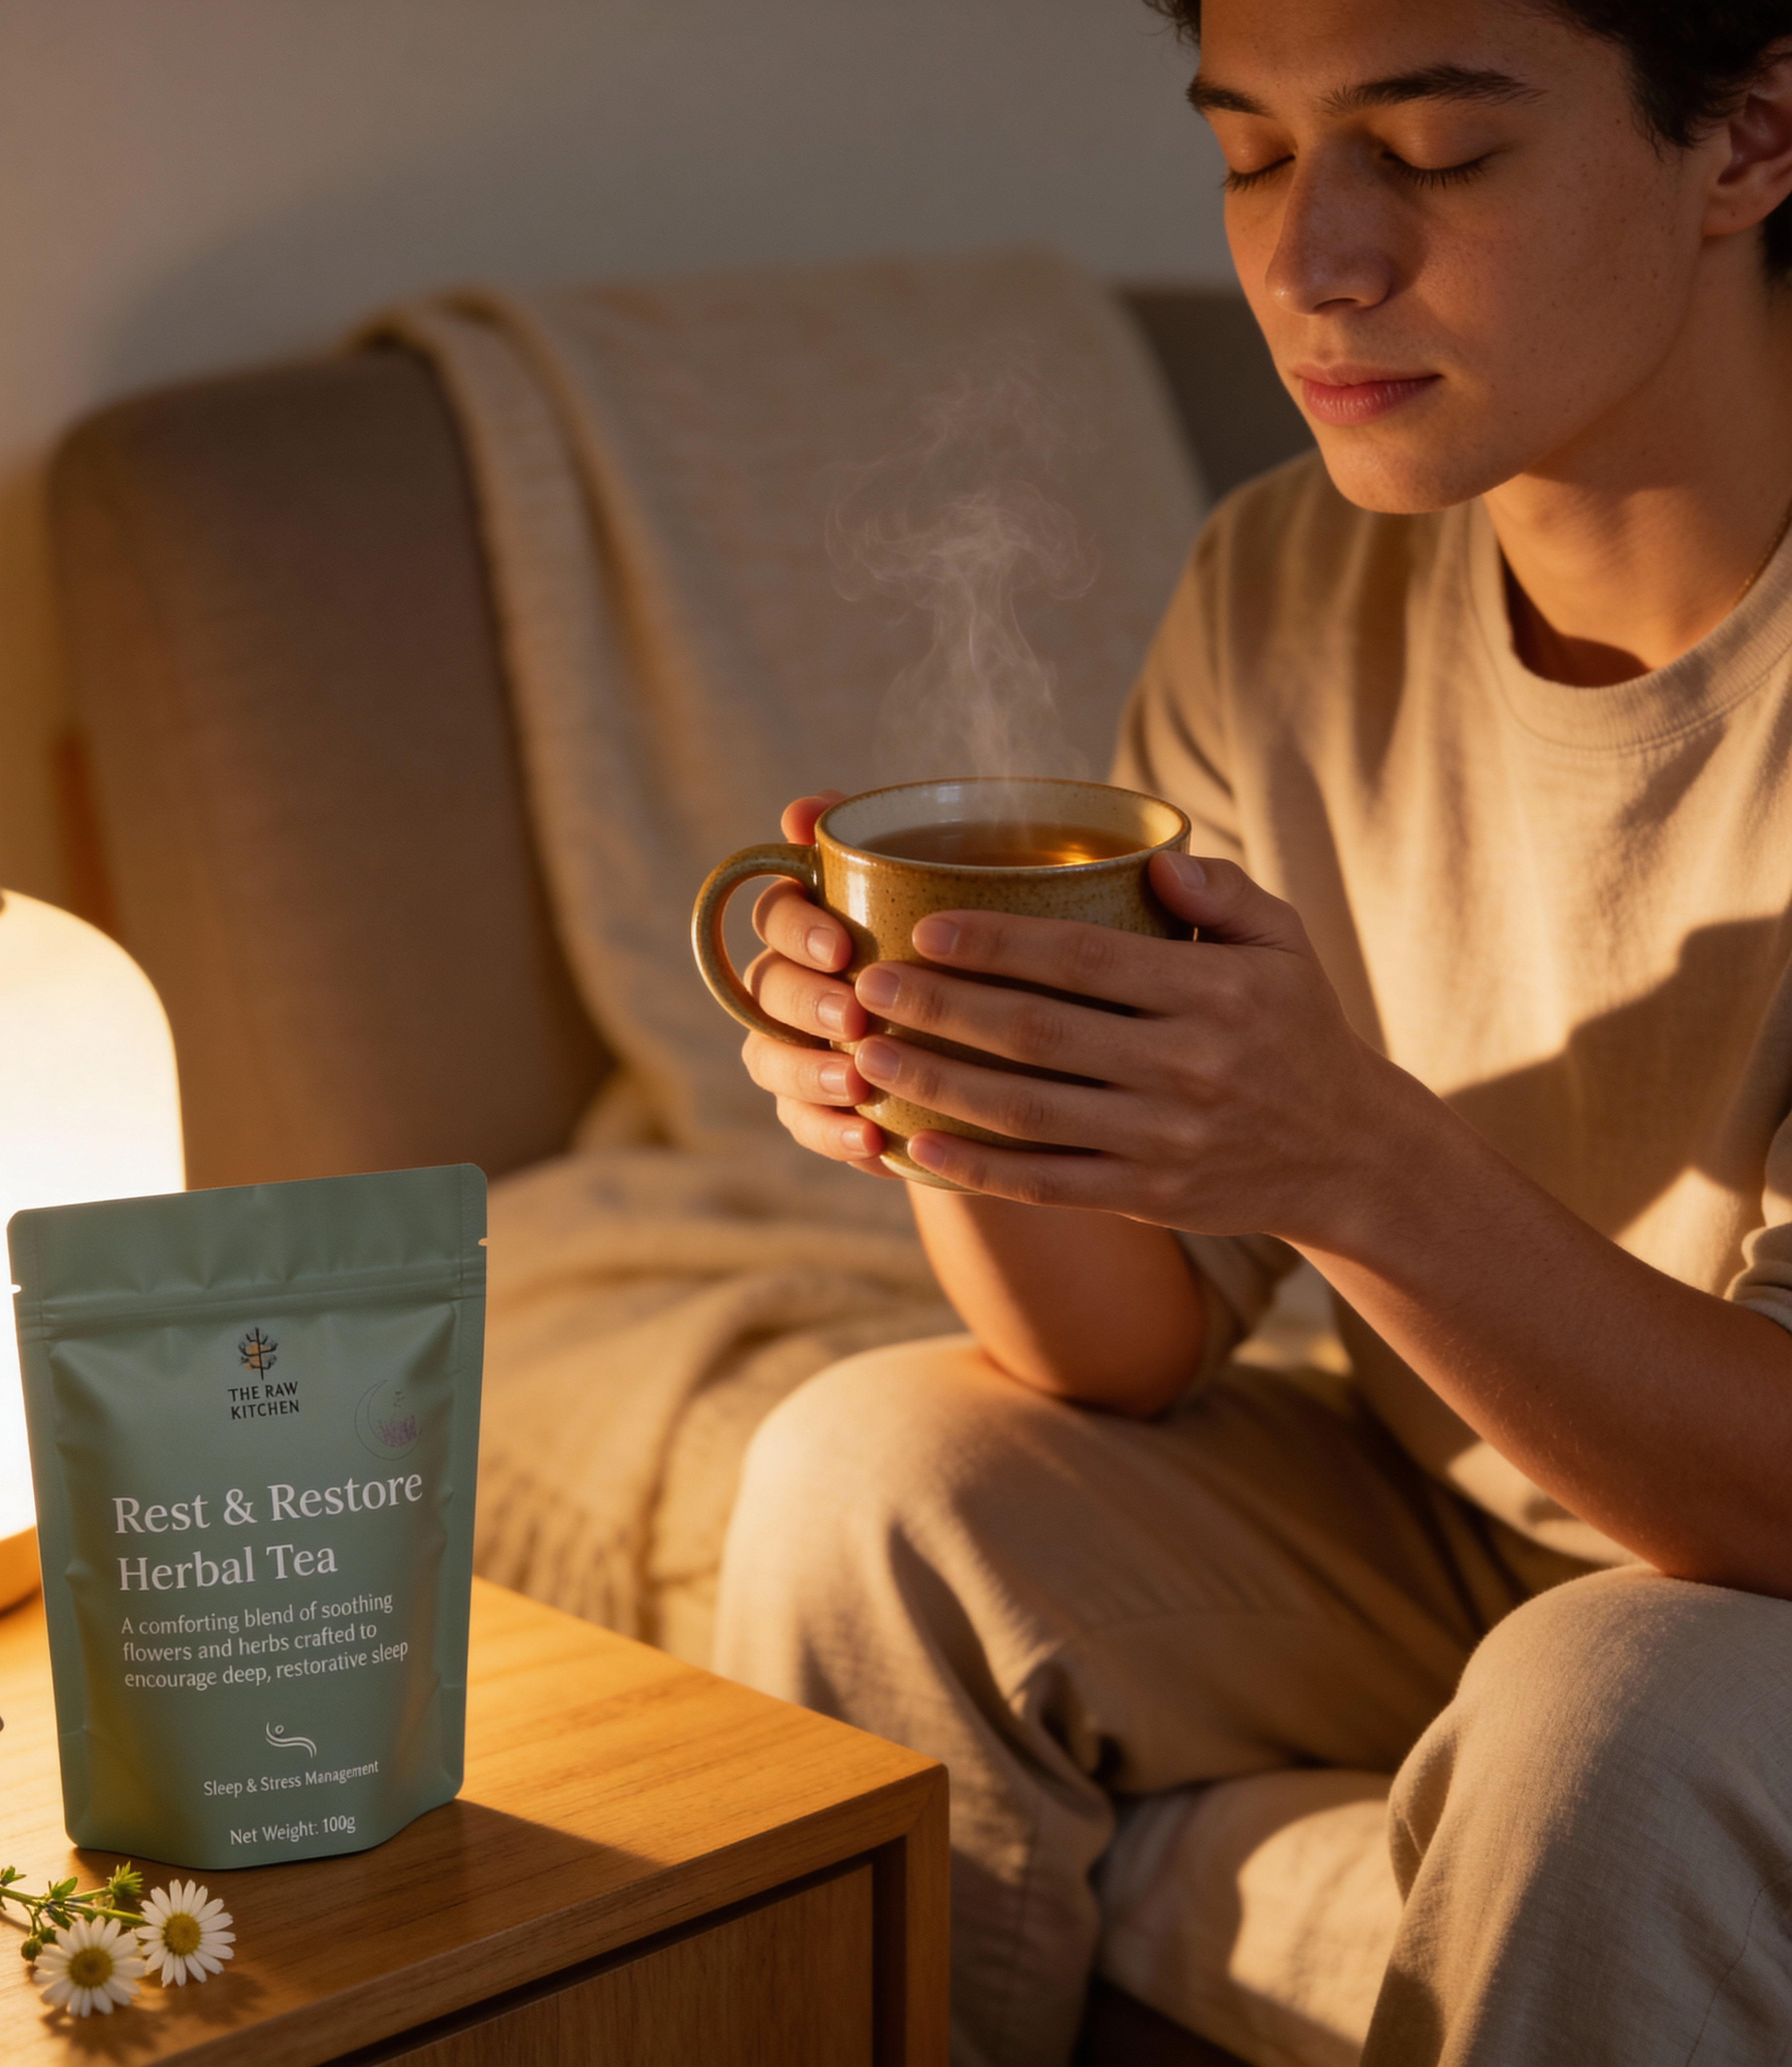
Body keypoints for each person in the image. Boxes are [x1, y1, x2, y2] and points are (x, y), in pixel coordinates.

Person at [711, 2, 1792, 2062]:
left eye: (1437, 154)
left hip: (1726, 1595)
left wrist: (1347, 1157)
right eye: (1252, 155)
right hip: (1477, 1521)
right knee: (872, 1473)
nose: (1312, 262)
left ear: (1744, 138)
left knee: (1614, 1702)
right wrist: (953, 1079)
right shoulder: (1286, 578)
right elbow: (1120, 1346)